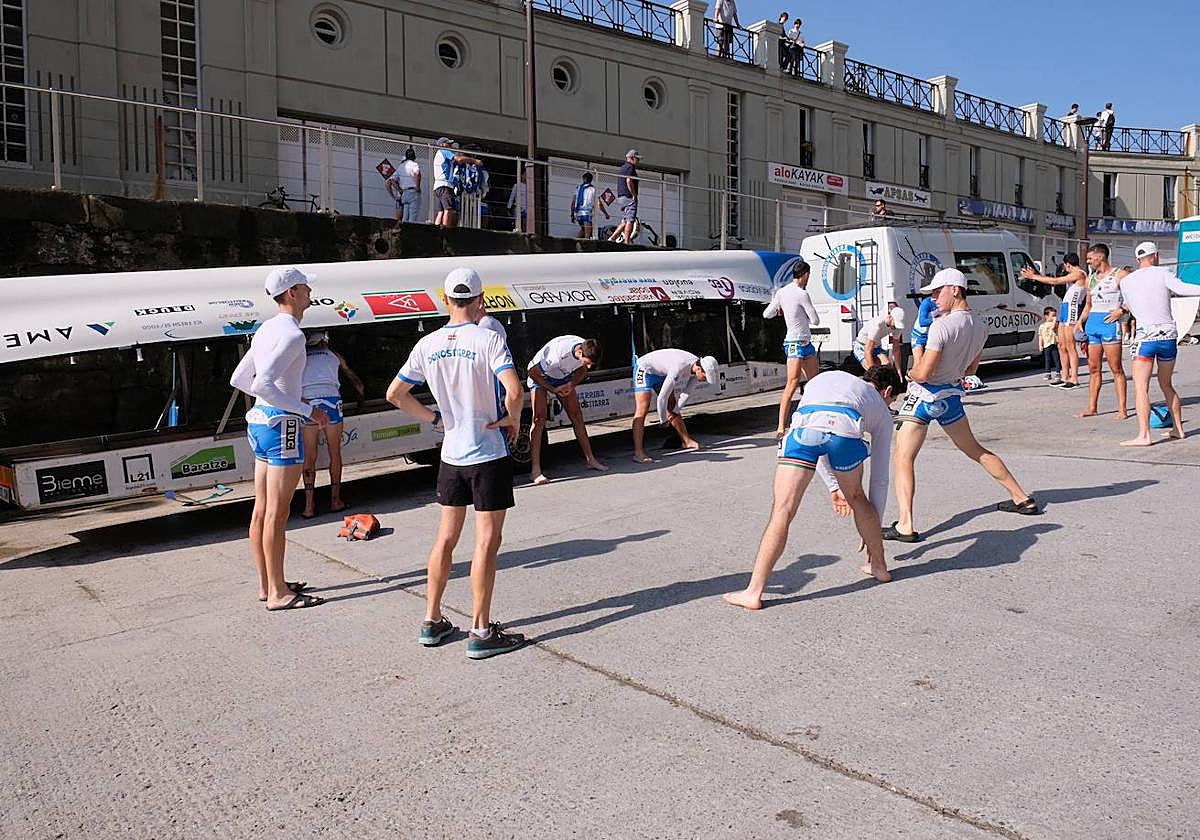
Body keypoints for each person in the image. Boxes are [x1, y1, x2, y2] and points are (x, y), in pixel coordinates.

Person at [385, 267, 526, 659]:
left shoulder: (427, 344)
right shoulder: (489, 338)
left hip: (452, 454)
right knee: (486, 541)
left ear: (444, 300)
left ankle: (432, 619)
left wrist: (434, 419)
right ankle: (481, 630)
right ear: (481, 300)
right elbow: (514, 389)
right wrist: (513, 418)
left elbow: (395, 393)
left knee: (445, 538)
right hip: (487, 453)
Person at [723, 366, 905, 610]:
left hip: (806, 425)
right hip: (846, 430)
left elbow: (816, 439)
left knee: (782, 511)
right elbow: (880, 478)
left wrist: (832, 486)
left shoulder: (823, 379)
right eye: (893, 400)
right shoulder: (880, 409)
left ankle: (753, 592)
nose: (891, 404)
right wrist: (870, 531)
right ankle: (879, 567)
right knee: (858, 497)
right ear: (888, 392)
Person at [888, 269, 1039, 542]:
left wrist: (918, 343)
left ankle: (906, 525)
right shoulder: (980, 326)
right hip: (951, 397)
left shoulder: (941, 326)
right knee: (976, 450)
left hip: (924, 396)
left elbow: (922, 373)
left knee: (902, 458)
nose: (933, 298)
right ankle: (1021, 497)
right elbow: (970, 369)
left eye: (937, 292)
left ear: (955, 290)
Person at [228, 266, 330, 611]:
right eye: (304, 288)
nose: (309, 294)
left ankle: (268, 584)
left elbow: (240, 378)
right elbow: (261, 383)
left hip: (259, 421)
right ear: (291, 294)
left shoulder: (265, 329)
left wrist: (279, 405)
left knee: (262, 510)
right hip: (282, 425)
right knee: (277, 512)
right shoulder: (292, 334)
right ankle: (278, 594)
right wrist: (305, 409)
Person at [1117, 242, 1200, 446]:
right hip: (1168, 335)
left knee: (1141, 388)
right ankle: (1178, 429)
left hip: (1145, 337)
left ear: (1138, 260)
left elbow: (1129, 307)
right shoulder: (1163, 273)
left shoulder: (1126, 282)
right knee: (1166, 384)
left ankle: (1144, 435)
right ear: (1156, 256)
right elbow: (1182, 289)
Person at [298, 330, 365, 519]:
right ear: (324, 341)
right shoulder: (333, 355)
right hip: (331, 402)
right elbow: (356, 382)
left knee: (309, 456)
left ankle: (308, 507)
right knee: (334, 452)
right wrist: (361, 402)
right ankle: (335, 501)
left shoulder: (299, 356)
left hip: (308, 404)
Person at [526, 335, 607, 485]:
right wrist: (554, 390)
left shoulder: (586, 347)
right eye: (587, 363)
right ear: (580, 353)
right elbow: (532, 373)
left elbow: (582, 371)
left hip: (562, 376)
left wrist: (571, 385)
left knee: (576, 416)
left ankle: (591, 459)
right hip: (540, 375)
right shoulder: (557, 355)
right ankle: (535, 471)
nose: (589, 367)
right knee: (538, 419)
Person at [764, 260, 821, 438]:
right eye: (808, 275)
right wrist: (801, 313)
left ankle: (783, 426)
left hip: (794, 343)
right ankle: (787, 425)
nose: (808, 278)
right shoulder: (802, 294)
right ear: (804, 275)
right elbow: (815, 320)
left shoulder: (782, 292)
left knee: (796, 384)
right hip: (801, 342)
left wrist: (783, 310)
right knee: (807, 383)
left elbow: (767, 314)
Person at [631, 349, 719, 464]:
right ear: (699, 369)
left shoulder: (696, 366)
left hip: (661, 373)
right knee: (643, 408)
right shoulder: (679, 367)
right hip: (645, 370)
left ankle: (686, 441)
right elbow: (662, 398)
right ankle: (638, 453)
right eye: (705, 376)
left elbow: (686, 394)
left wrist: (675, 410)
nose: (705, 380)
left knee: (671, 404)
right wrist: (663, 420)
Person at [1020, 253, 1088, 389]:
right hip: (1065, 307)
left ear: (1068, 264)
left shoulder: (1080, 274)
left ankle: (1074, 378)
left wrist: (1033, 276)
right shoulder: (1073, 275)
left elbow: (1055, 281)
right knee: (1061, 345)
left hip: (1072, 309)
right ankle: (1064, 376)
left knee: (1070, 346)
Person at [1078, 243, 1128, 418]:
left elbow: (1135, 296)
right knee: (1093, 368)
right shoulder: (1090, 279)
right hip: (1093, 324)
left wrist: (1122, 310)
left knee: (1116, 368)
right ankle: (1092, 407)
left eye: (1090, 258)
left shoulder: (1119, 275)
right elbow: (1088, 305)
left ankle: (1122, 409)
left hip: (1109, 324)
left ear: (1101, 257)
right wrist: (1080, 320)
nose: (1088, 261)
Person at [432, 138, 482, 228]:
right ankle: (445, 231)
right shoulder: (444, 151)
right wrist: (474, 161)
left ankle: (436, 230)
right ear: (443, 145)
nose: (450, 146)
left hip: (438, 186)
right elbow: (458, 159)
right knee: (448, 209)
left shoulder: (438, 154)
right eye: (448, 144)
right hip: (445, 185)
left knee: (441, 211)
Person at [852, 307, 906, 376]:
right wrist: (874, 374)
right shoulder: (877, 325)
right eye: (894, 324)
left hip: (876, 347)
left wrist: (899, 371)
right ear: (890, 317)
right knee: (873, 371)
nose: (895, 327)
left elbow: (896, 349)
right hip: (862, 347)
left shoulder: (897, 327)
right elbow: (867, 351)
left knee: (887, 366)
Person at [608, 150, 640, 245]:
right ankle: (627, 242)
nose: (638, 161)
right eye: (637, 158)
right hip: (629, 197)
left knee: (625, 220)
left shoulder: (623, 168)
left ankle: (613, 238)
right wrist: (634, 195)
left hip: (622, 197)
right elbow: (629, 181)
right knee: (630, 220)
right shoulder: (630, 167)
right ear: (632, 158)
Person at [386, 147, 421, 224]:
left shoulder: (401, 166)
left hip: (404, 193)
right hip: (413, 191)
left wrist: (399, 190)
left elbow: (391, 180)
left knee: (405, 215)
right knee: (413, 215)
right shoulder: (414, 164)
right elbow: (417, 173)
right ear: (414, 157)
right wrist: (417, 186)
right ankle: (411, 231)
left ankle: (404, 230)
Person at [570, 171, 609, 239]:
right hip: (586, 214)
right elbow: (599, 204)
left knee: (583, 230)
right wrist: (606, 214)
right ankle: (585, 245)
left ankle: (574, 242)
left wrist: (572, 214)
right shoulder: (593, 189)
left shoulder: (578, 188)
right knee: (588, 234)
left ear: (583, 179)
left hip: (578, 213)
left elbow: (573, 203)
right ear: (591, 180)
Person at [909, 294, 939, 369]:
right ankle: (909, 377)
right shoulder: (927, 302)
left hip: (931, 336)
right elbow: (922, 322)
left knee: (930, 363)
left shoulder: (945, 302)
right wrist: (938, 320)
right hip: (918, 336)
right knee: (918, 364)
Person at [1038, 307, 1062, 384]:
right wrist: (1040, 345)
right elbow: (1040, 336)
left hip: (1053, 343)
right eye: (1053, 315)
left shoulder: (1055, 324)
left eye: (1055, 315)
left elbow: (1053, 328)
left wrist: (1055, 320)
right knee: (1047, 359)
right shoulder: (1042, 326)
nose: (1055, 317)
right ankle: (1048, 372)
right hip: (1046, 344)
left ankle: (1058, 372)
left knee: (1056, 359)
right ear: (1046, 316)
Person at [507, 165, 528, 232]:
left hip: (526, 208)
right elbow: (512, 197)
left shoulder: (530, 186)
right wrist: (508, 208)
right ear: (521, 175)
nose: (526, 176)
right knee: (517, 224)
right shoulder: (517, 185)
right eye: (525, 174)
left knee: (525, 225)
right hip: (518, 207)